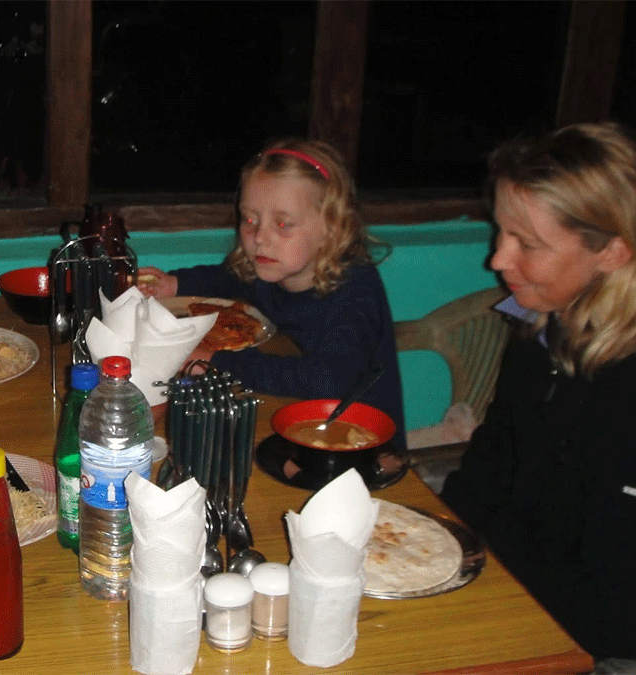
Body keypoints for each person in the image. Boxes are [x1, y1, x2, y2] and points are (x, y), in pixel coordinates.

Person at [441, 122, 636, 666]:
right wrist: (440, 533)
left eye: (527, 244)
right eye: (500, 233)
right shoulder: (541, 326)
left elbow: (613, 592)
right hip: (522, 590)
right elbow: (494, 455)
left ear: (613, 252)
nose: (498, 260)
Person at [137, 138, 406, 442]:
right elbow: (230, 277)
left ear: (333, 228)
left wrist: (217, 361)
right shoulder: (273, 265)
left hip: (362, 443)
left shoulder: (356, 288)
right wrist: (175, 283)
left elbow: (328, 379)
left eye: (283, 224)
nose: (259, 237)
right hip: (301, 418)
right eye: (250, 219)